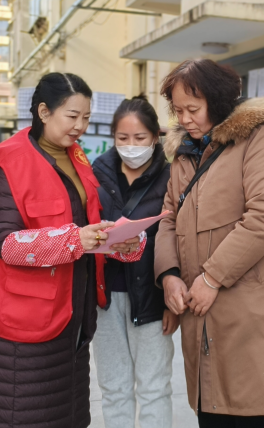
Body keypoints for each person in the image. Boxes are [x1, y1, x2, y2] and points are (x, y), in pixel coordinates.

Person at [0, 72, 145, 428]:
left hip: (72, 316)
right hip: (26, 321)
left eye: (86, 117)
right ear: (44, 112)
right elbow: (7, 245)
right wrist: (75, 239)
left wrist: (114, 240)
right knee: (23, 417)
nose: (80, 126)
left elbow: (84, 223)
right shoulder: (9, 161)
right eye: (72, 116)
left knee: (67, 417)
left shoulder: (75, 157)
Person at [154, 58, 264, 428]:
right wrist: (169, 274)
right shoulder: (184, 154)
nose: (185, 119)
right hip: (202, 317)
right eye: (178, 111)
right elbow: (168, 218)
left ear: (218, 101)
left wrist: (211, 278)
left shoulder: (257, 139)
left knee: (252, 410)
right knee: (212, 409)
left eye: (193, 109)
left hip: (250, 317)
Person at [92, 95, 177, 428]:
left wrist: (172, 301)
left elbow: (179, 238)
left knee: (154, 388)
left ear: (155, 136)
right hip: (106, 297)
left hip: (152, 297)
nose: (131, 146)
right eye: (123, 137)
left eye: (140, 138)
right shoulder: (96, 174)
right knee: (114, 388)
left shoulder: (172, 177)